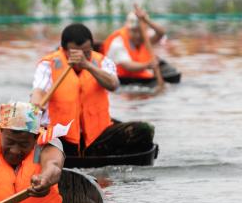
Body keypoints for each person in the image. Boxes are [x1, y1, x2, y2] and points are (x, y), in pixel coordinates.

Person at [30, 23, 154, 157]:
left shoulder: (102, 62)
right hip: (61, 139)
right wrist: (36, 103)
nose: (82, 57)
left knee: (144, 130)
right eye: (76, 54)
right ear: (64, 50)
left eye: (87, 52)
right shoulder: (49, 64)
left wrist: (88, 65)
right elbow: (39, 90)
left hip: (97, 137)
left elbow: (114, 85)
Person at [102, 5, 166, 81]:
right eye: (134, 31)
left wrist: (146, 20)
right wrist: (147, 65)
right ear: (128, 29)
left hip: (139, 78)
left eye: (140, 32)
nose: (138, 35)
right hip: (121, 80)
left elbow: (161, 33)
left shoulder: (145, 37)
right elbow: (128, 65)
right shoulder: (118, 42)